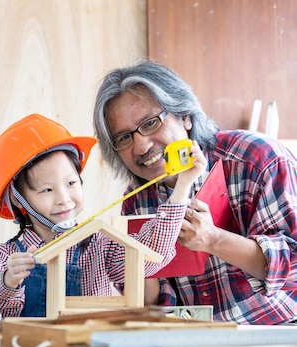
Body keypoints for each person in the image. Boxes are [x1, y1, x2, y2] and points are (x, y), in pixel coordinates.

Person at [93, 60, 297, 325]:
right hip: (197, 338)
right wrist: (133, 263)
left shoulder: (258, 158)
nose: (141, 145)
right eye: (123, 138)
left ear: (185, 116)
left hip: (283, 331)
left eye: (151, 123)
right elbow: (153, 307)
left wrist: (213, 239)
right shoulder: (135, 201)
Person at [0, 113, 206, 317]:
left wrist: (182, 187)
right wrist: (9, 280)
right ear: (18, 200)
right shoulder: (9, 256)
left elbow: (152, 253)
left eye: (71, 183)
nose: (64, 198)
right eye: (47, 190)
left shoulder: (98, 245)